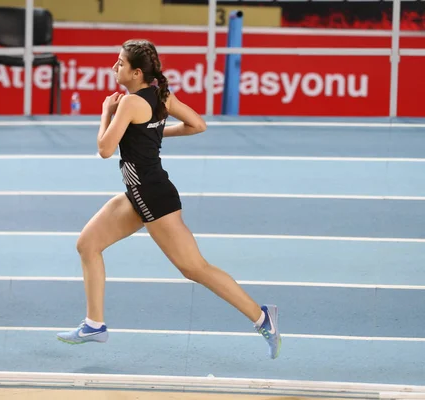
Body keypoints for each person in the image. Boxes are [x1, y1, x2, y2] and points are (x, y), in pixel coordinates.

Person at [57, 39, 281, 359]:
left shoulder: (129, 104)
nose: (114, 67)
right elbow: (197, 125)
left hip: (152, 196)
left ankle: (263, 318)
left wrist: (105, 113)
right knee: (88, 244)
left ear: (136, 73)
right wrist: (155, 130)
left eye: (119, 63)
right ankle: (94, 324)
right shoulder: (161, 95)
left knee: (194, 268)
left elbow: (105, 149)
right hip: (140, 193)